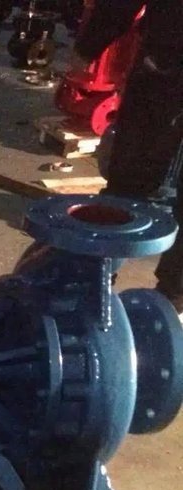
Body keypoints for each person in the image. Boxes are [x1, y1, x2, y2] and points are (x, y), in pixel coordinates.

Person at [69, 0, 183, 309]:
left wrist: (88, 46)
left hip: (165, 68)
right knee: (128, 187)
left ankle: (91, 286)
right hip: (165, 65)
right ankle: (169, 303)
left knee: (128, 186)